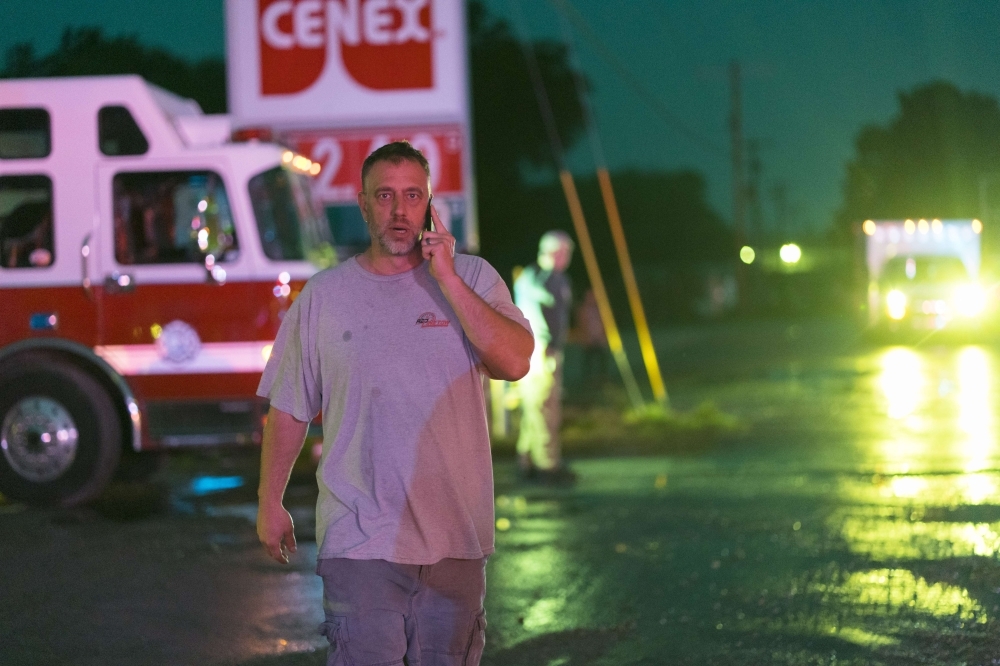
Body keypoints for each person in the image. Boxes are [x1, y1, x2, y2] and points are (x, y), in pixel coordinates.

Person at [256, 141, 533, 666]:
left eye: (412, 196)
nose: (399, 210)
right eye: (385, 195)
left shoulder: (472, 279)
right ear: (362, 203)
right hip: (359, 537)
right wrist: (270, 501)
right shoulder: (323, 297)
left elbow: (515, 362)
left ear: (429, 204)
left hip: (455, 536)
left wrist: (446, 276)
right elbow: (290, 407)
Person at [514, 230, 576, 484]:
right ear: (556, 252)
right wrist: (548, 346)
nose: (567, 257)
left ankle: (526, 460)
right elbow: (536, 313)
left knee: (535, 407)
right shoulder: (542, 278)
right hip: (541, 351)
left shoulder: (533, 277)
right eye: (565, 252)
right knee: (544, 408)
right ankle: (547, 466)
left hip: (536, 351)